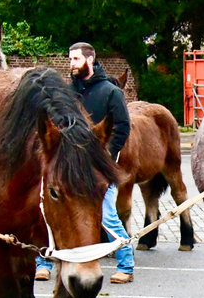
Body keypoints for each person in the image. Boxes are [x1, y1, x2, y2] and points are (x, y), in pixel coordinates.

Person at [34, 42, 134, 284]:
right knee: (48, 211)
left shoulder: (111, 92)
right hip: (70, 167)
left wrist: (104, 155)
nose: (71, 64)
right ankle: (43, 263)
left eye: (76, 59)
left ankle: (126, 264)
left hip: (97, 168)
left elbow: (122, 126)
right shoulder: (68, 93)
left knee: (108, 216)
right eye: (70, 59)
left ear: (90, 59)